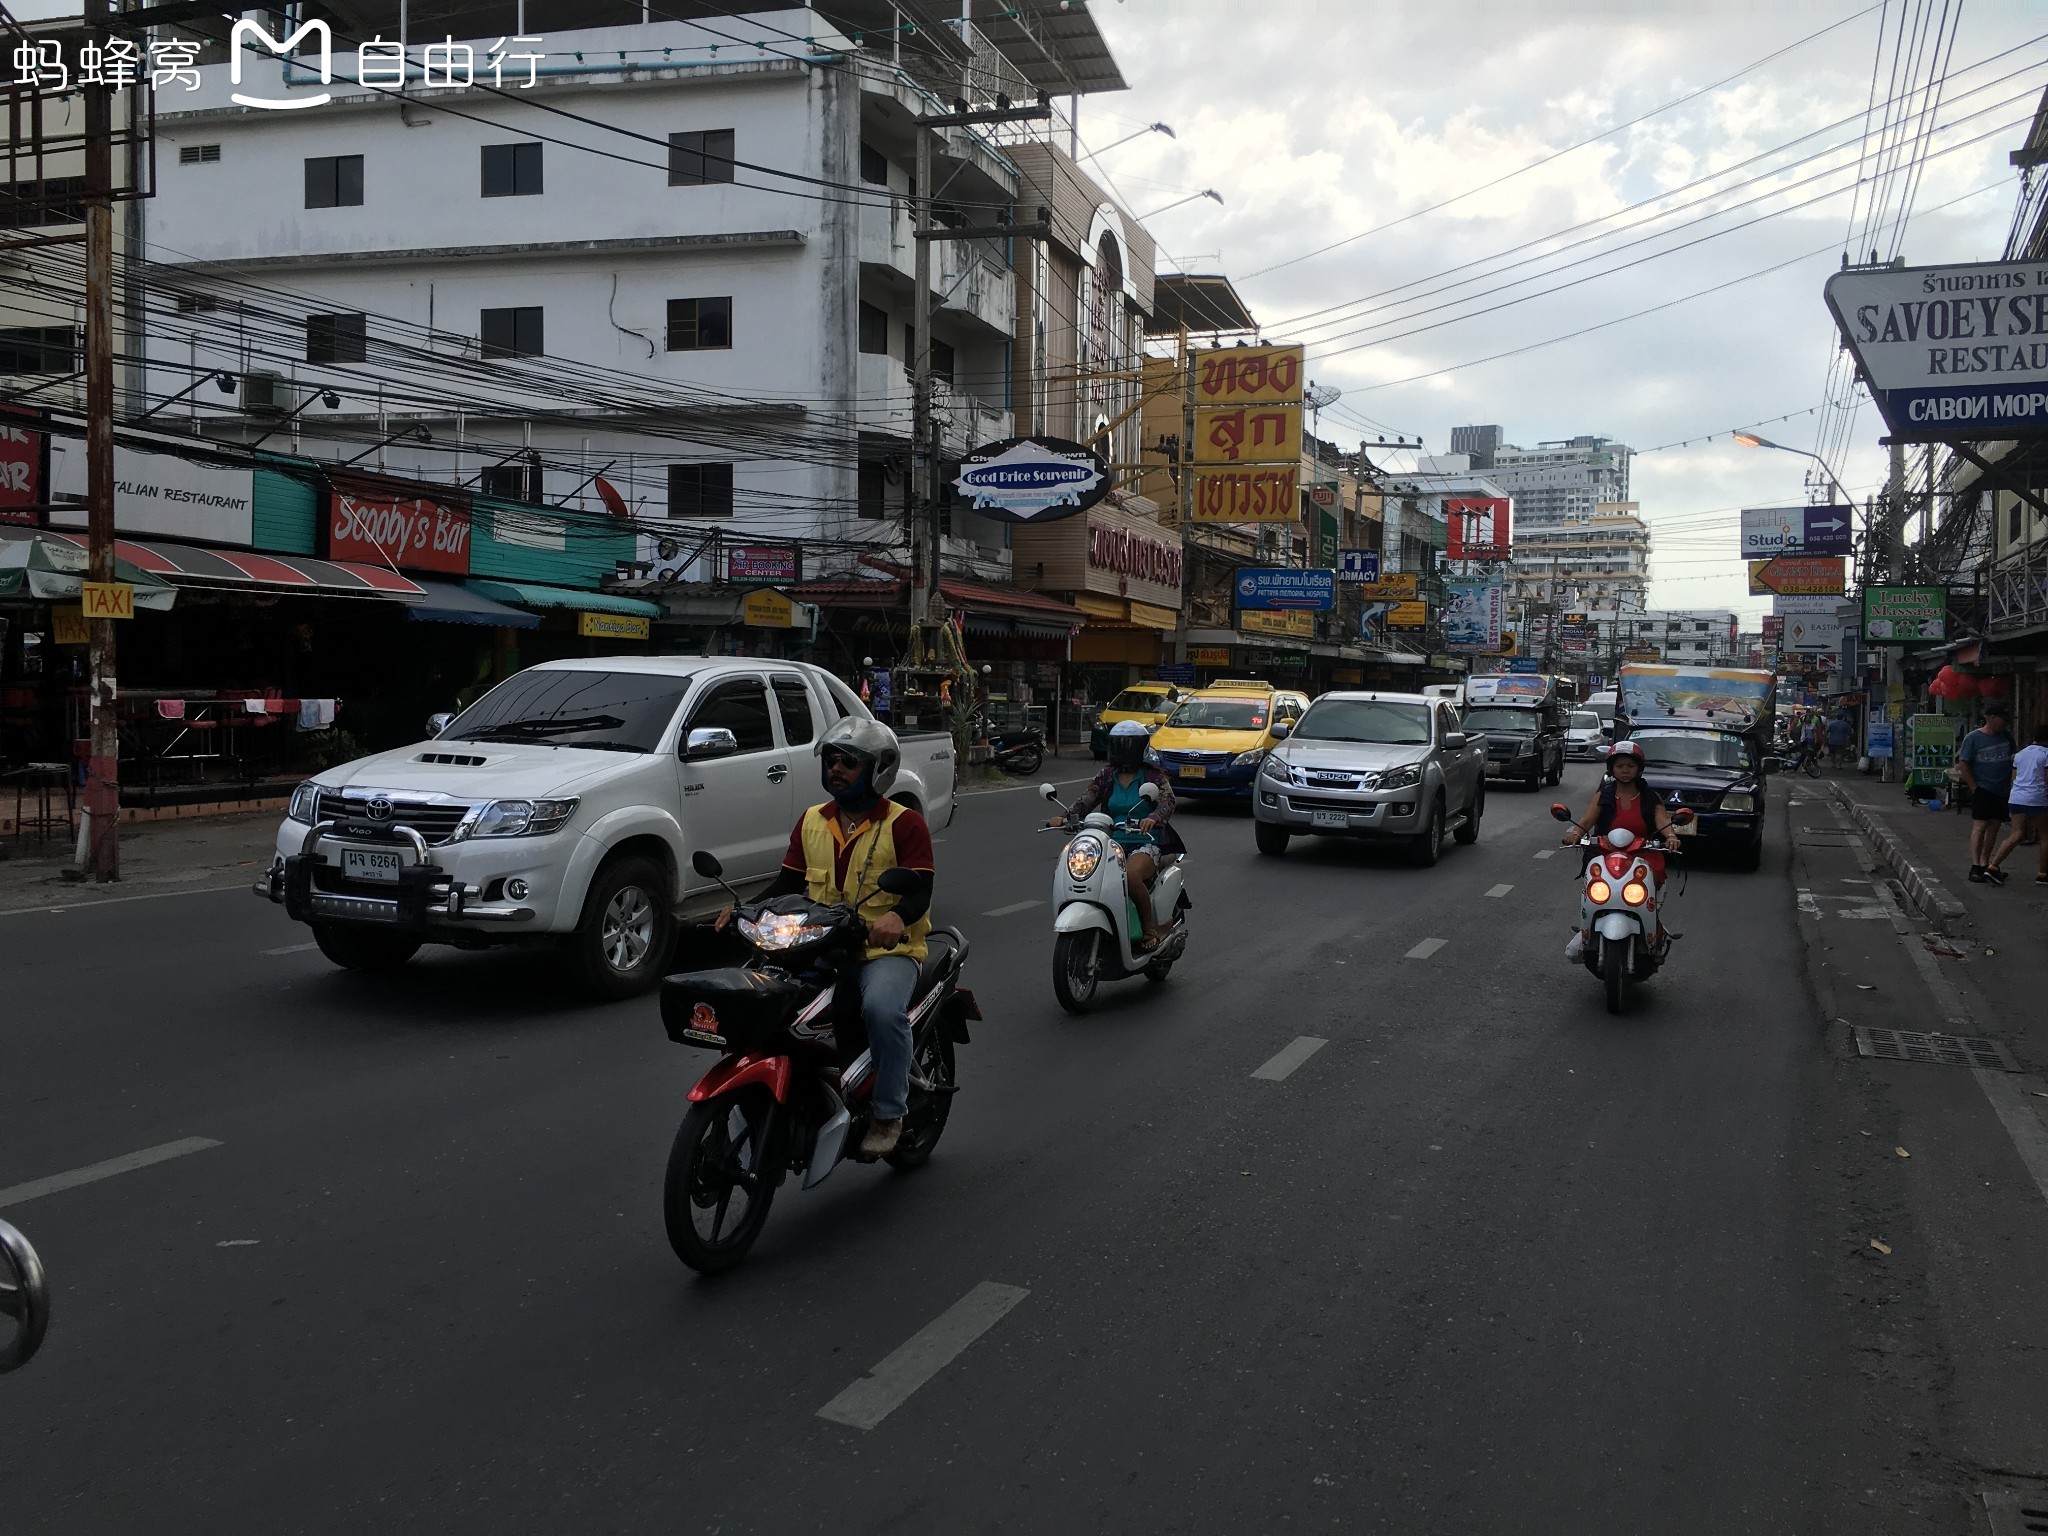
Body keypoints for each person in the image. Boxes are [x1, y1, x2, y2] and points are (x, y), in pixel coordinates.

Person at [716, 717, 934, 1157]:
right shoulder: (812, 821)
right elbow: (787, 884)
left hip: (881, 952)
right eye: (831, 759)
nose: (836, 768)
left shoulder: (904, 824)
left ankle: (889, 1113)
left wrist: (896, 916)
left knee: (881, 1010)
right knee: (757, 1002)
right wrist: (744, 909)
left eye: (849, 762)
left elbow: (921, 890)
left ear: (878, 770)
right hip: (815, 944)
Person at [1046, 718, 1185, 952]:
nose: (1122, 750)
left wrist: (1153, 819)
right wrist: (1065, 817)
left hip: (1145, 842)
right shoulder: (1106, 775)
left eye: (1127, 745)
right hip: (1108, 842)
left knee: (1130, 877)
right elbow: (1086, 801)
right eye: (1119, 744)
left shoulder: (1153, 776)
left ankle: (1149, 929)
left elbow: (1167, 803)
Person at [1559, 738, 1680, 959]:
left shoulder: (1649, 797)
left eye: (1630, 766)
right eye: (1620, 766)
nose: (1625, 770)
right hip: (1605, 853)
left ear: (1639, 769)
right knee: (1595, 891)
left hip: (1642, 855)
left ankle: (1652, 927)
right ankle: (1588, 927)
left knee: (1651, 888)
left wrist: (1671, 837)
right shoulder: (1603, 794)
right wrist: (1575, 834)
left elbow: (1663, 822)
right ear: (1612, 769)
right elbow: (1586, 821)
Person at [1957, 703, 2016, 883]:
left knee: (1995, 826)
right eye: (2001, 720)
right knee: (1981, 825)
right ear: (1991, 719)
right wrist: (1974, 787)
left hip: (2002, 789)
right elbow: (1963, 763)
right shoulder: (1973, 738)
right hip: (1983, 788)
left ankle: (1986, 864)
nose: (2004, 724)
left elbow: (2014, 758)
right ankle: (1975, 865)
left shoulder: (2006, 737)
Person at [1984, 719, 2048, 886]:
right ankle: (2042, 874)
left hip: (2017, 797)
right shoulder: (2046, 755)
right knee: (2045, 836)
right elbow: (2046, 780)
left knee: (2016, 834)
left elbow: (2014, 777)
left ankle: (1992, 866)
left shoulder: (2020, 755)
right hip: (2037, 798)